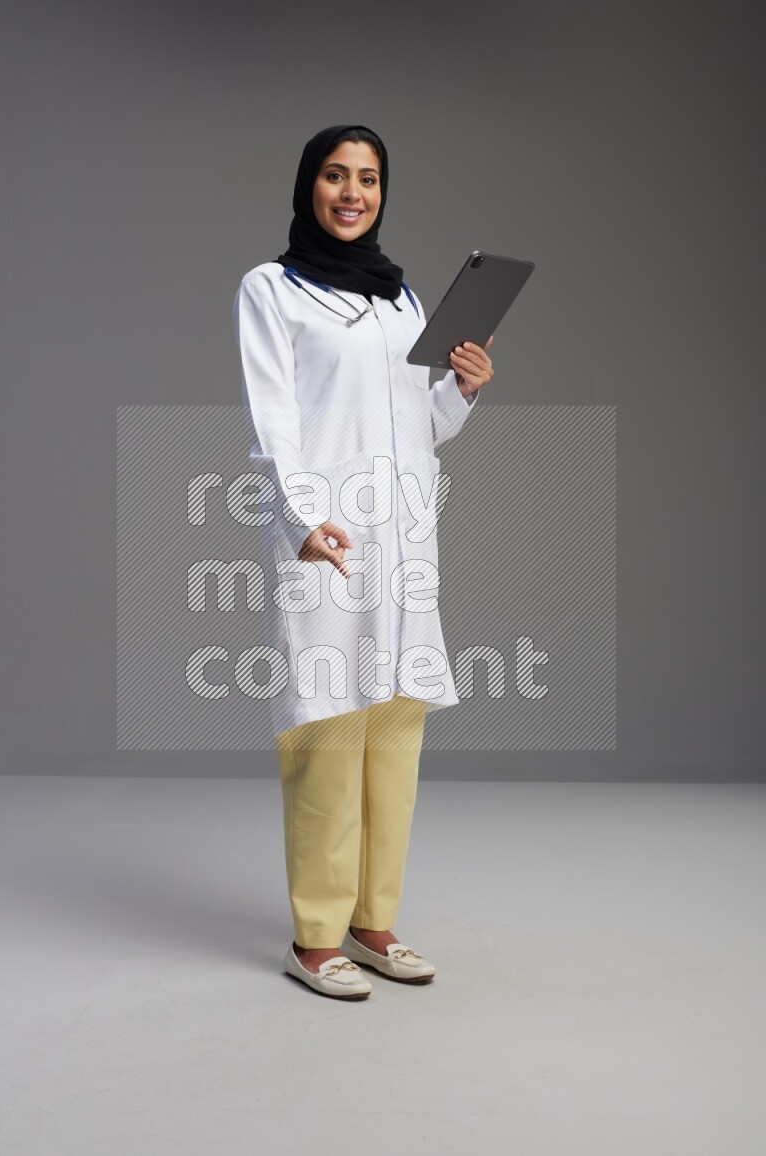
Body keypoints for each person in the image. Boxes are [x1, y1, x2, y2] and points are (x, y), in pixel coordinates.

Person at [232, 124, 493, 999]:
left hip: (404, 537)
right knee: (327, 730)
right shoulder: (272, 290)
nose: (353, 193)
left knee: (394, 734)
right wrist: (302, 517)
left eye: (369, 179)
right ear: (309, 185)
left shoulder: (401, 298)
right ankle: (315, 937)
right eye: (337, 176)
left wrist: (460, 387)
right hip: (326, 539)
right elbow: (273, 419)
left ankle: (373, 922)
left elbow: (421, 424)